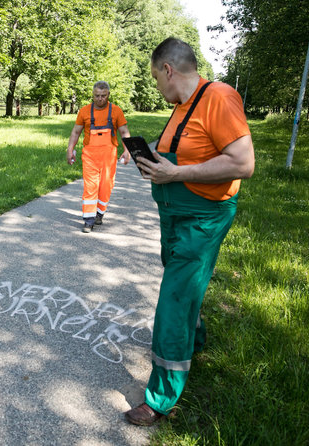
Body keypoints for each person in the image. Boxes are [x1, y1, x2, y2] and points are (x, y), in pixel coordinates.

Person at [124, 37, 255, 425]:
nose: (156, 86)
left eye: (155, 77)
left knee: (174, 299)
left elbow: (242, 163)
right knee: (184, 287)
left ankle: (161, 397)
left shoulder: (219, 96)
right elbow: (186, 149)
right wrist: (148, 154)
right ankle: (194, 340)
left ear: (168, 70)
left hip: (203, 218)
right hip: (176, 215)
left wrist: (175, 172)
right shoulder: (184, 106)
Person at [66, 81, 132, 233]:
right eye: (97, 96)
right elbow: (75, 132)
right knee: (90, 186)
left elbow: (124, 132)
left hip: (109, 155)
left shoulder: (116, 111)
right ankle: (88, 220)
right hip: (89, 155)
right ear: (93, 95)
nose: (100, 99)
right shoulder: (84, 111)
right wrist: (70, 149)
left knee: (106, 185)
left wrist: (127, 151)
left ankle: (99, 213)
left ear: (108, 94)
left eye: (103, 96)